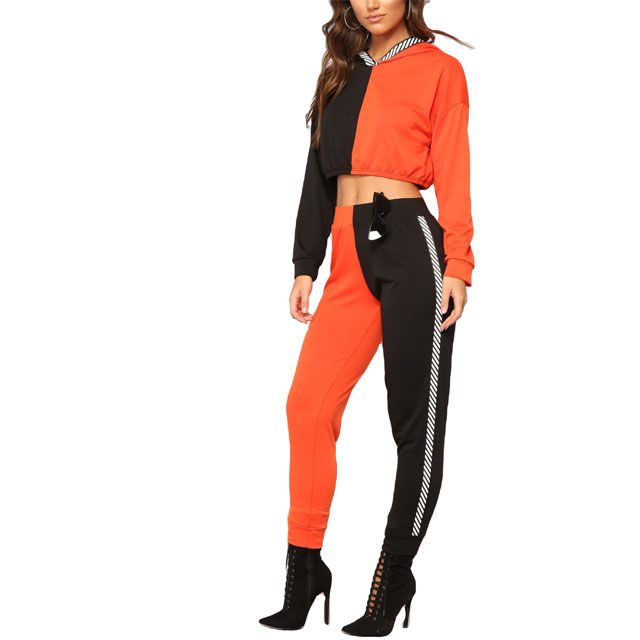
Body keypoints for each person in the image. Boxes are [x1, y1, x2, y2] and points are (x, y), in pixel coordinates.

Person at [259, 1, 475, 635]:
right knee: (308, 406)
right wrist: (306, 262)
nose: (372, 0)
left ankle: (392, 576)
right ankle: (304, 570)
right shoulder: (340, 71)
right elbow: (316, 173)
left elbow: (455, 167)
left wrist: (459, 263)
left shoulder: (440, 70)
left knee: (414, 425)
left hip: (412, 247)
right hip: (348, 254)